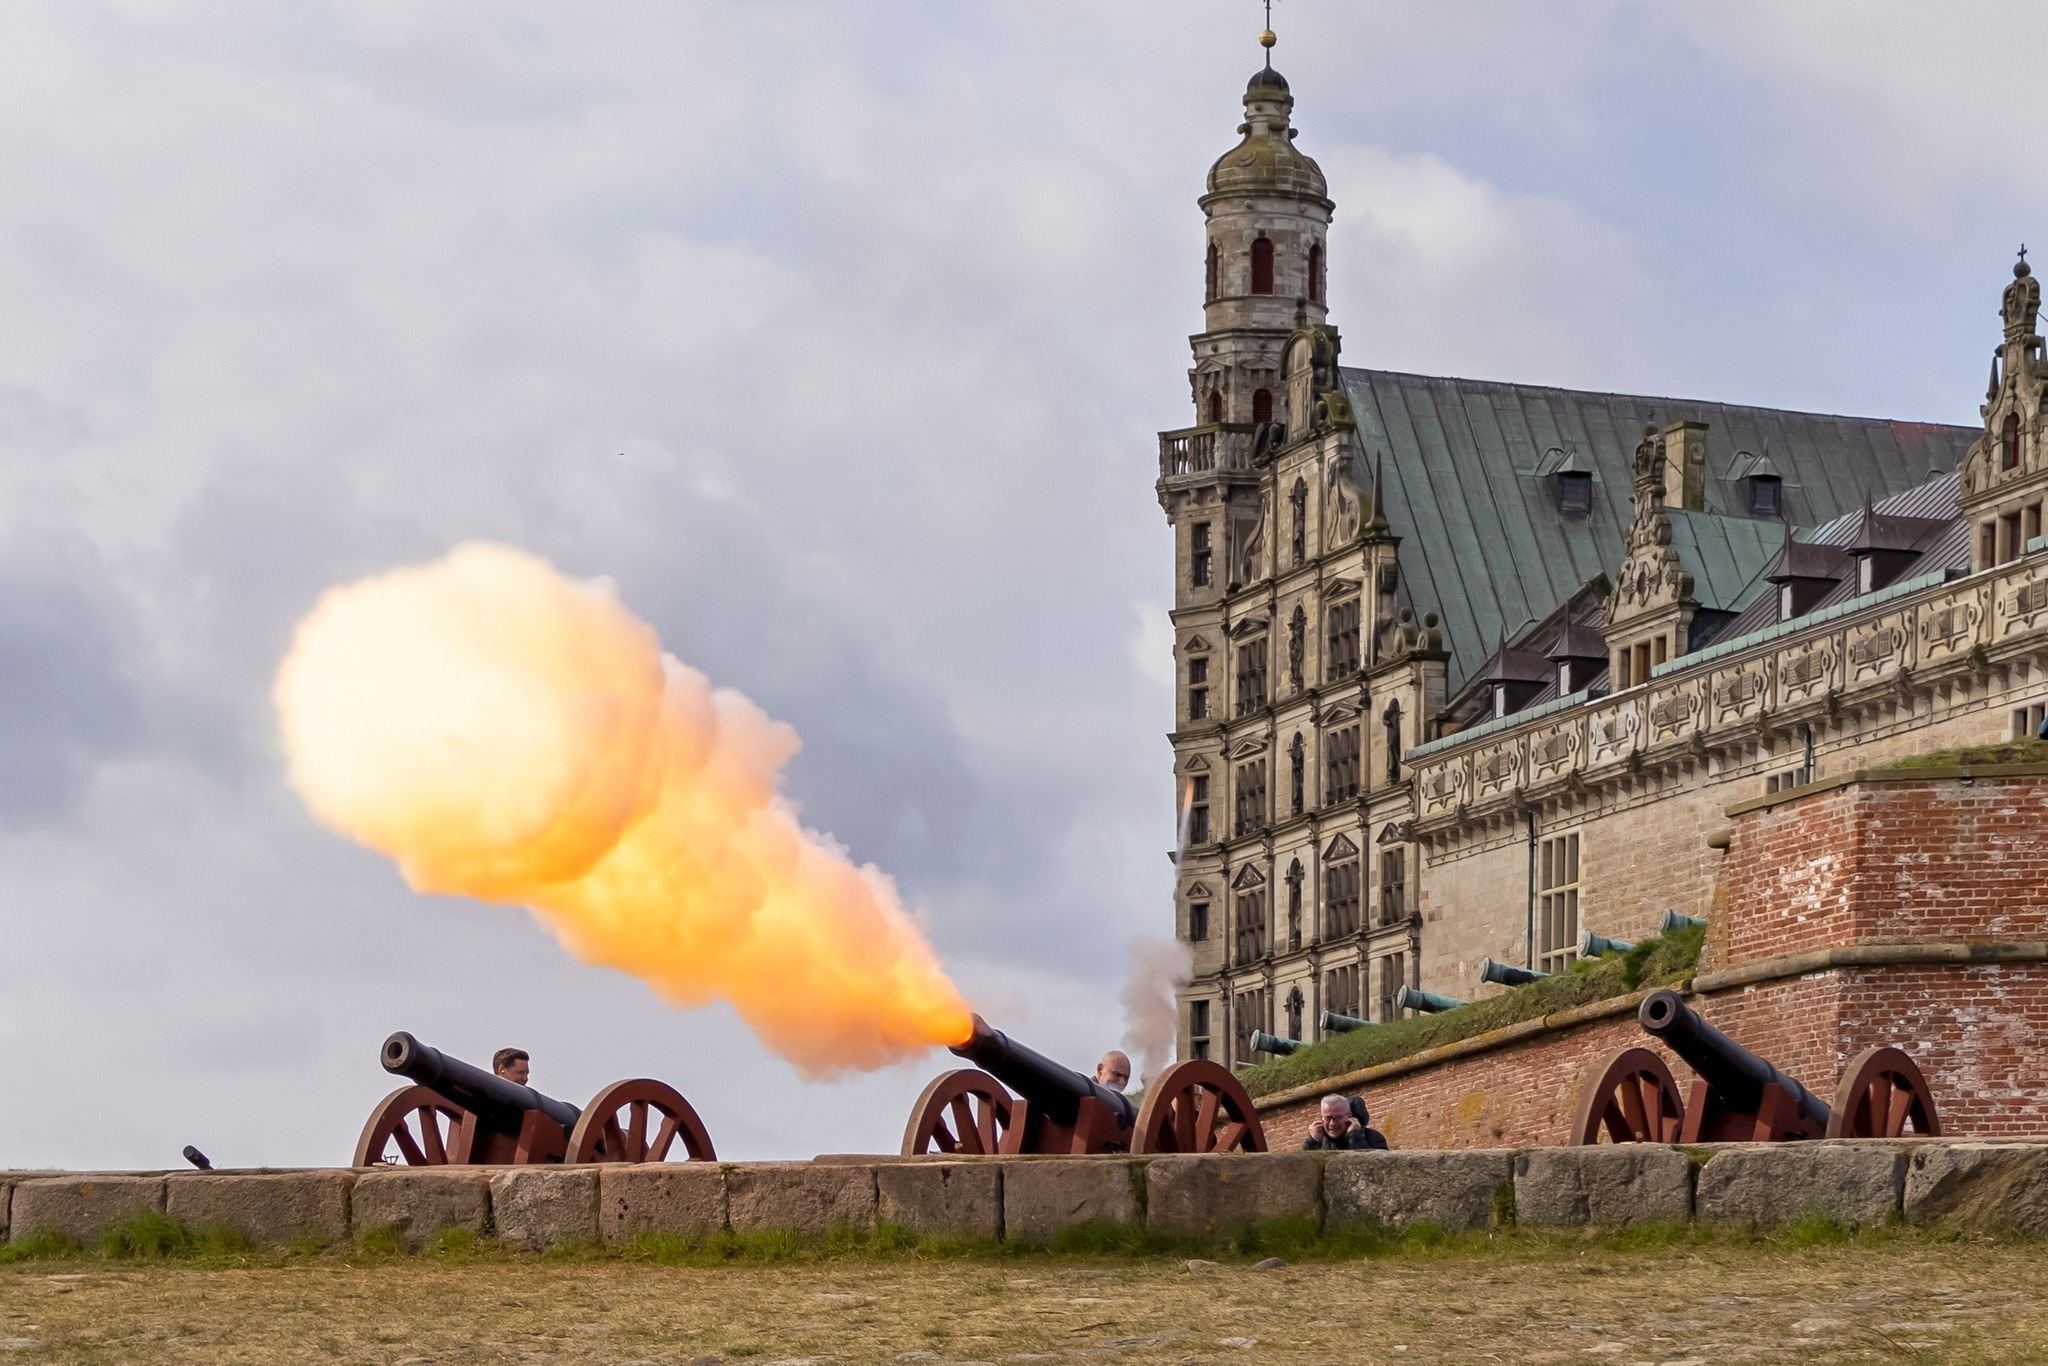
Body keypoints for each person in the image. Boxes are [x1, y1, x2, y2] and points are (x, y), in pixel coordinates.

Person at [1301, 1093, 1389, 1150]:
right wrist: (1311, 1142)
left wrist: (1354, 1137)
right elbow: (1299, 1172)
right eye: (1327, 1118)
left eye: (1338, 1117)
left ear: (1350, 1117)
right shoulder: (1319, 1140)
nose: (1332, 1123)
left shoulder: (1373, 1138)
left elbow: (1373, 1169)